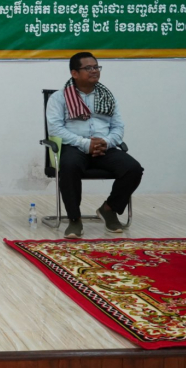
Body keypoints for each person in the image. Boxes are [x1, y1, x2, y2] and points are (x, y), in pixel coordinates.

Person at [47, 51, 143, 239]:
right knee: (68, 166)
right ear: (74, 73)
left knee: (133, 169)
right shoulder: (59, 98)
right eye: (88, 68)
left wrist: (106, 142)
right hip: (74, 146)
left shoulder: (107, 97)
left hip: (104, 147)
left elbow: (118, 127)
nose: (94, 71)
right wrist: (85, 144)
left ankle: (109, 209)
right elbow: (56, 130)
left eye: (96, 67)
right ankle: (74, 219)